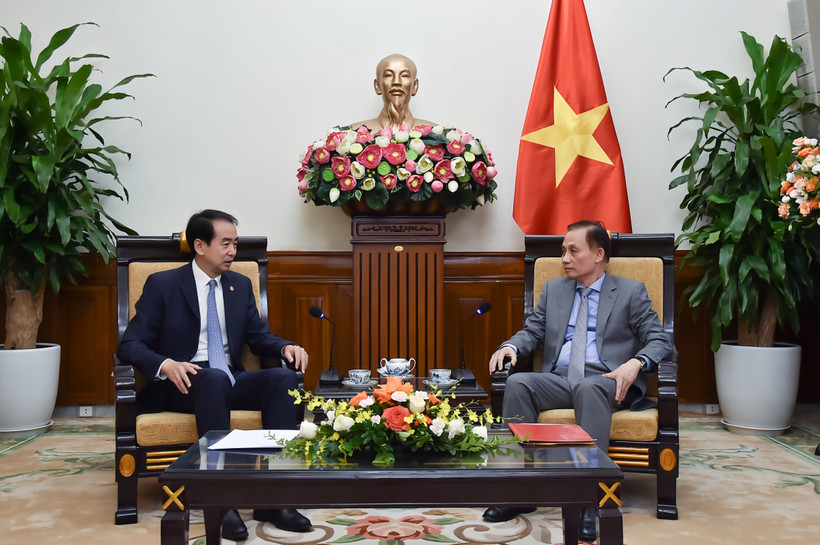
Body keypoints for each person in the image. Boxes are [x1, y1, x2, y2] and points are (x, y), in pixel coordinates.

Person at [116, 209, 312, 537]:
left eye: (235, 243)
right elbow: (130, 345)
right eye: (225, 243)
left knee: (283, 378)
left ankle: (275, 497)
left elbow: (258, 337)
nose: (233, 251)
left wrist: (285, 348)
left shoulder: (238, 284)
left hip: (227, 377)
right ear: (200, 246)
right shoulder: (163, 285)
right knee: (213, 379)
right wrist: (166, 364)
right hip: (182, 383)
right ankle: (220, 501)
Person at [483, 220, 673, 542]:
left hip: (607, 379)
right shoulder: (556, 290)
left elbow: (660, 340)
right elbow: (533, 331)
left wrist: (635, 363)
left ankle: (589, 499)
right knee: (518, 383)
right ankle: (520, 491)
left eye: (573, 251)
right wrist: (511, 346)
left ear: (598, 254)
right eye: (563, 251)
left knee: (589, 386)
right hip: (559, 379)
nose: (565, 259)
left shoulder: (630, 291)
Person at [350, 53, 437, 131]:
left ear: (415, 86)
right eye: (388, 75)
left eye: (404, 75)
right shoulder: (353, 134)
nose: (396, 82)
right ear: (377, 86)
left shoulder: (437, 134)